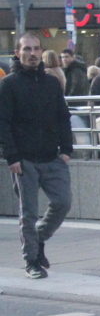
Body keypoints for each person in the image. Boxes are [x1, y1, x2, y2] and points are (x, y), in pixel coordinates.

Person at [0, 33, 74, 279]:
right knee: (28, 214)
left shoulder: (51, 83)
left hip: (52, 158)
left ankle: (39, 239)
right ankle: (31, 261)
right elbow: (3, 123)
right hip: (24, 160)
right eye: (27, 49)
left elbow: (62, 117)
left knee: (63, 202)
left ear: (41, 52)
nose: (32, 54)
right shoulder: (8, 84)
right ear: (18, 53)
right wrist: (12, 157)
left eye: (36, 49)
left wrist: (66, 151)